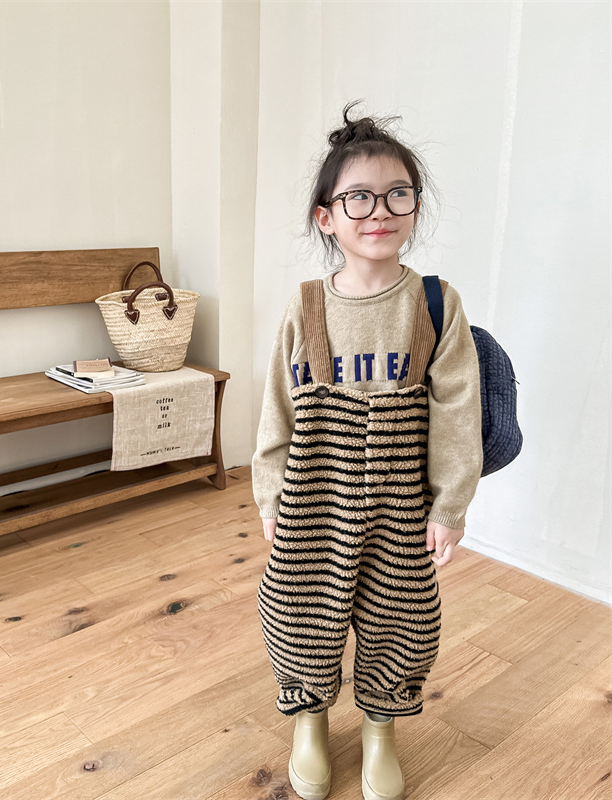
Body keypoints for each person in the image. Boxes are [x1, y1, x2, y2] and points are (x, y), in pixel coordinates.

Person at [252, 102, 482, 800]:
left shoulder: (436, 304)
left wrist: (449, 506)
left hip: (400, 503)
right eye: (358, 197)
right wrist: (270, 497)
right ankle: (310, 718)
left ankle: (382, 725)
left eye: (396, 194)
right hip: (313, 498)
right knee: (299, 610)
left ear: (415, 207)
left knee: (401, 619)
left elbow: (457, 412)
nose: (379, 210)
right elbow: (277, 409)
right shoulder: (305, 307)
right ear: (327, 217)